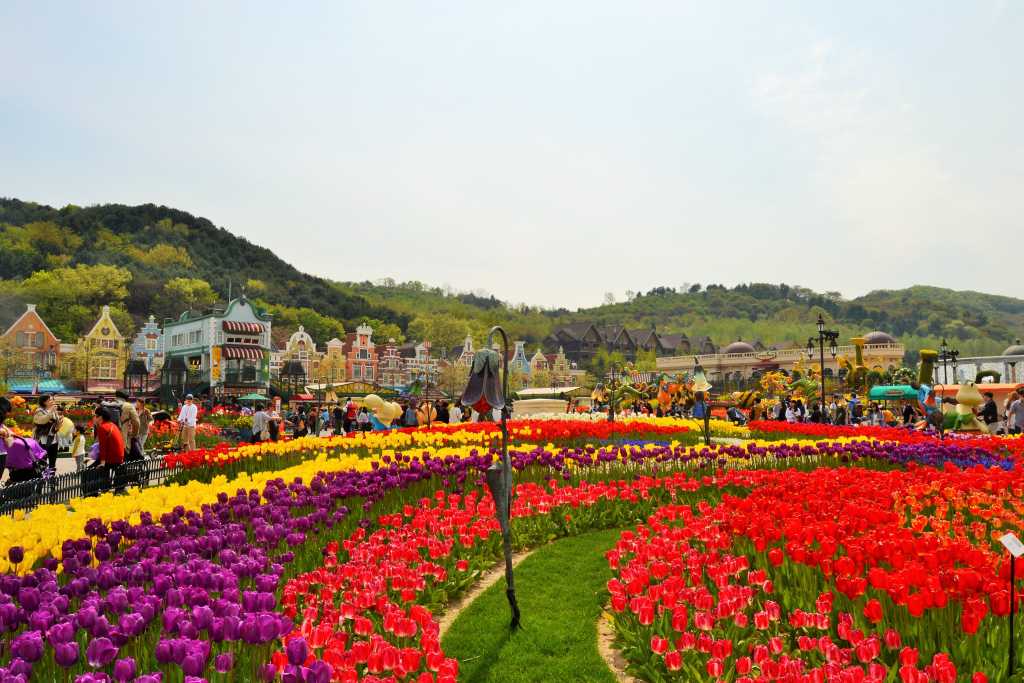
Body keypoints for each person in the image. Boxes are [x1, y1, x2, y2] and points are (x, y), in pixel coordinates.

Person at [93, 405, 126, 494]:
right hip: (119, 457)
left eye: (96, 416)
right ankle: (105, 489)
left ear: (100, 417)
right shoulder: (112, 425)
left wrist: (102, 462)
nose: (94, 418)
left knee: (90, 470)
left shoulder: (103, 428)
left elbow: (103, 447)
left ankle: (99, 491)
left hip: (112, 458)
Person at [32, 394, 60, 472]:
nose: (52, 401)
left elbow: (56, 422)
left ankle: (52, 479)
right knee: (42, 461)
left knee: (52, 461)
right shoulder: (39, 411)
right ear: (44, 402)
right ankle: (42, 480)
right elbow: (41, 421)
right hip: (43, 440)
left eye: (52, 400)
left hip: (53, 439)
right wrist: (51, 412)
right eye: (49, 400)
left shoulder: (54, 411)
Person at [114, 390, 141, 461]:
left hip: (108, 440)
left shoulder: (109, 404)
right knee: (122, 464)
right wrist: (134, 434)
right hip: (122, 440)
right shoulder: (128, 406)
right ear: (126, 397)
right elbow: (136, 422)